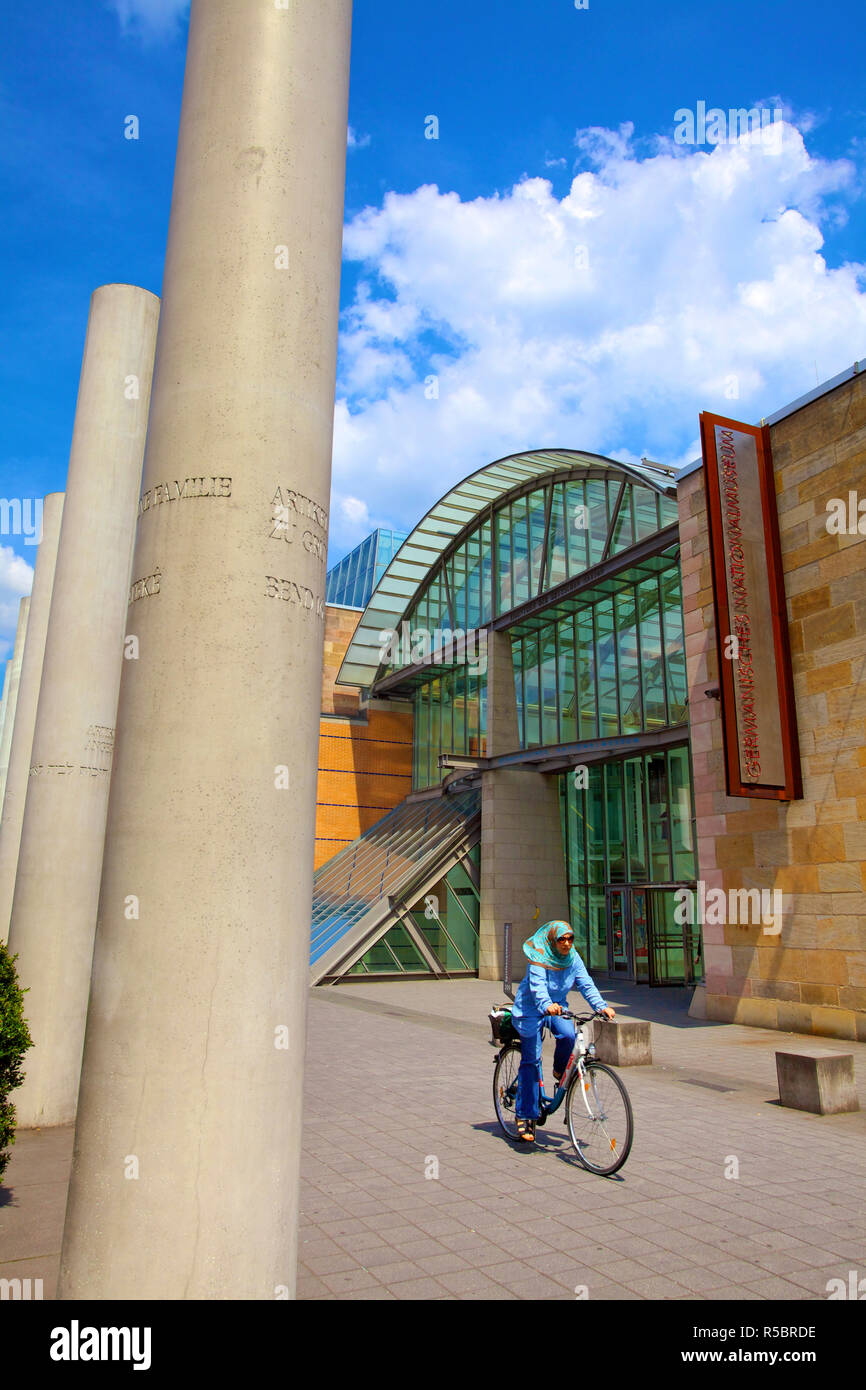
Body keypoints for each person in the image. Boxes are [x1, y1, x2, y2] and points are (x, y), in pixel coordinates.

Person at [509, 920, 615, 1142]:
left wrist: (601, 1006)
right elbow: (537, 986)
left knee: (569, 1036)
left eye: (570, 939)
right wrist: (546, 1004)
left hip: (557, 1008)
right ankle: (526, 1116)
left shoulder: (573, 957)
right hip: (531, 1007)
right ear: (552, 940)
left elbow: (586, 983)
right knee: (532, 1059)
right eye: (562, 940)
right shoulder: (538, 955)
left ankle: (559, 1071)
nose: (566, 944)